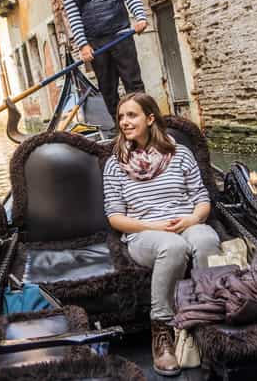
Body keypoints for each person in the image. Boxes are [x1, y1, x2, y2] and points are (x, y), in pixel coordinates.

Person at [102, 92, 220, 376]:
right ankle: (162, 330)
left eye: (132, 115)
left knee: (206, 239)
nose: (124, 122)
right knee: (173, 246)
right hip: (144, 233)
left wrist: (192, 218)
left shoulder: (180, 154)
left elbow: (202, 198)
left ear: (150, 118)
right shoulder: (115, 163)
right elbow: (116, 217)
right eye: (121, 117)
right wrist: (153, 226)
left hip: (186, 222)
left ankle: (207, 323)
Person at [61, 0, 148, 122]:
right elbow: (74, 18)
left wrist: (140, 17)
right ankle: (121, 129)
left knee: (133, 83)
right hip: (96, 45)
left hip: (120, 36)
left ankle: (146, 125)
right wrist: (83, 46)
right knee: (107, 89)